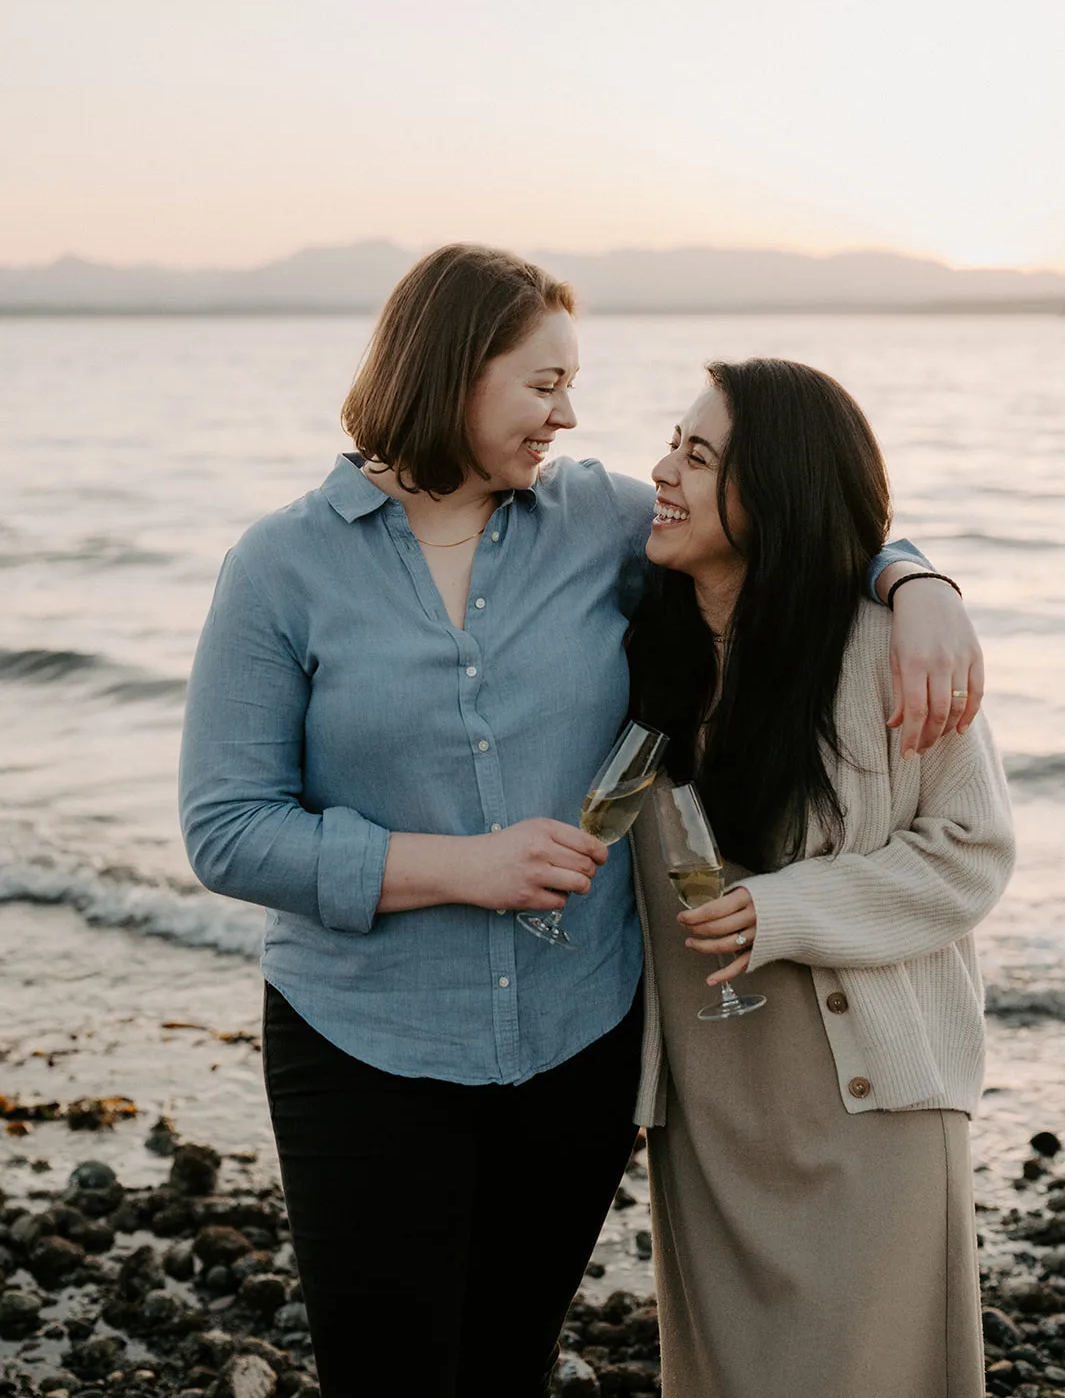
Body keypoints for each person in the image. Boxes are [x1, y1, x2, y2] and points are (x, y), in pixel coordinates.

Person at [178, 246, 982, 1398]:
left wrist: (916, 583)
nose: (571, 412)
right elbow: (229, 829)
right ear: (456, 372)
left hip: (577, 1048)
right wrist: (461, 865)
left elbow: (784, 518)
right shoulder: (281, 566)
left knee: (509, 1365)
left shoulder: (598, 522)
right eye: (543, 383)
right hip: (362, 1047)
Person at [627, 357, 1014, 1398]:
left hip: (869, 1096)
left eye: (698, 456)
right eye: (673, 440)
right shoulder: (639, 637)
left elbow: (971, 851)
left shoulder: (892, 648)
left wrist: (788, 910)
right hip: (711, 1099)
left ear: (777, 493)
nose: (662, 469)